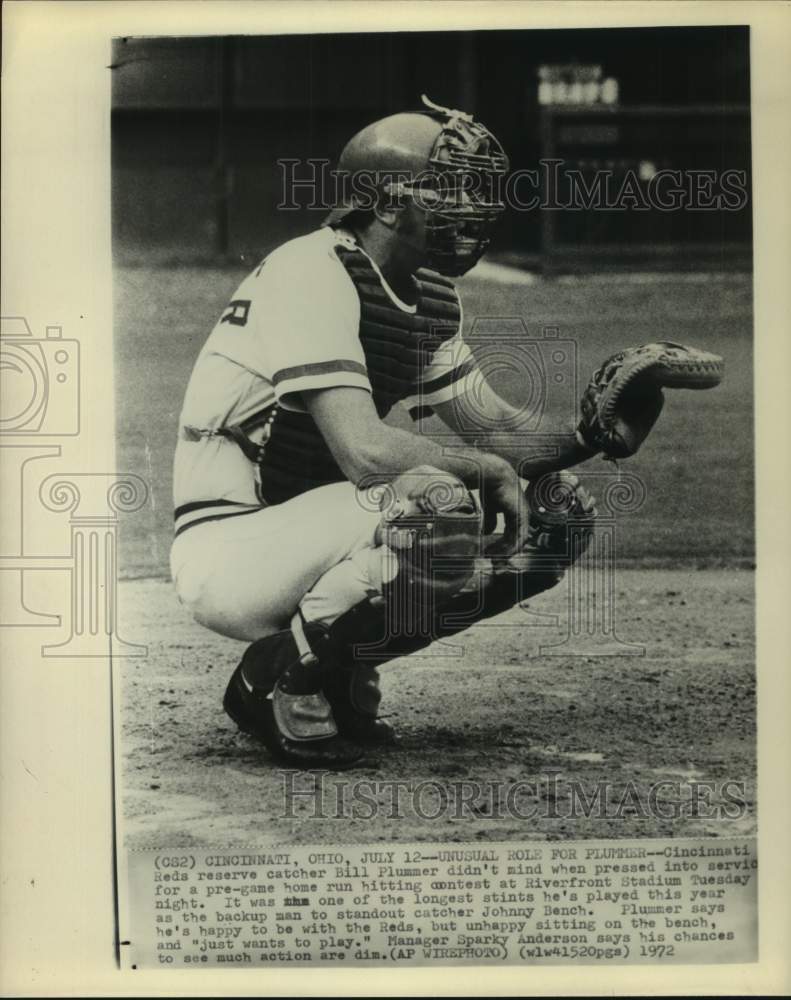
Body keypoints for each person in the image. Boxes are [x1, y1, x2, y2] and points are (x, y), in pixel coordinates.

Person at [170, 96, 598, 769]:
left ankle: (340, 665)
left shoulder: (421, 294)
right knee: (437, 505)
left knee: (557, 513)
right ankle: (280, 678)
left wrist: (593, 429)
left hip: (311, 531)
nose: (471, 204)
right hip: (231, 546)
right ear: (390, 203)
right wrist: (482, 471)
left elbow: (501, 432)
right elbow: (365, 451)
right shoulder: (310, 270)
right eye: (450, 187)